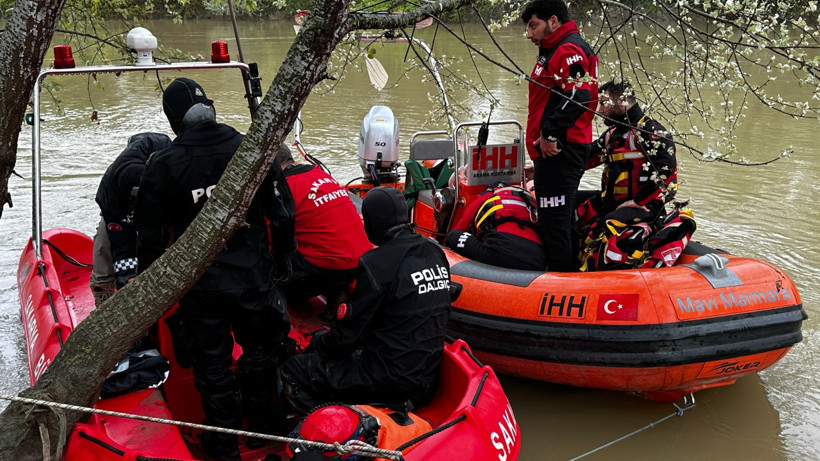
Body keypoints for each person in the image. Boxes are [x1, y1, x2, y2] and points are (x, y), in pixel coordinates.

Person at [135, 77, 296, 460]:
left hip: (201, 288)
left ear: (174, 121)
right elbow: (283, 213)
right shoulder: (250, 149)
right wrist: (283, 259)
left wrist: (150, 289)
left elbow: (150, 238)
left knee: (212, 365)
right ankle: (262, 428)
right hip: (252, 277)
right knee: (261, 351)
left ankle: (223, 446)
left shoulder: (162, 165)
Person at [280, 186, 451, 415]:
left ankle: (336, 427)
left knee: (294, 370)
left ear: (373, 221)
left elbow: (347, 337)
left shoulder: (377, 263)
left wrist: (315, 345)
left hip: (388, 381)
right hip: (426, 380)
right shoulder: (434, 253)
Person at [521, 0, 598, 272]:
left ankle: (560, 285)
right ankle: (571, 276)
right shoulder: (554, 50)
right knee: (560, 221)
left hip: (560, 151)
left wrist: (550, 136)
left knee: (554, 225)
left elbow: (579, 95)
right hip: (553, 154)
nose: (529, 34)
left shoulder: (567, 49)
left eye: (534, 26)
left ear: (553, 21)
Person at [274, 143, 371, 315]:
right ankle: (338, 289)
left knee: (268, 263)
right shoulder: (320, 173)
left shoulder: (283, 187)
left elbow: (270, 236)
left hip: (325, 267)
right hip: (361, 261)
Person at [576, 80, 677, 226]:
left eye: (604, 103)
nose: (599, 110)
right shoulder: (611, 134)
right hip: (611, 200)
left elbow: (667, 167)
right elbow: (583, 156)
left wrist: (638, 201)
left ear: (622, 100)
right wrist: (545, 168)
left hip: (644, 206)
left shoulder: (650, 131)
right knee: (565, 201)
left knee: (608, 225)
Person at [89, 132, 172, 306]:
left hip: (158, 210)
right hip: (118, 214)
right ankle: (103, 291)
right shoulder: (110, 191)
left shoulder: (168, 175)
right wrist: (126, 281)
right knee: (103, 245)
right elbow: (121, 245)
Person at [444, 182, 545, 271]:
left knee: (453, 235)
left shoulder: (487, 196)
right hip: (536, 259)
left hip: (498, 251)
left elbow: (461, 226)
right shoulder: (528, 199)